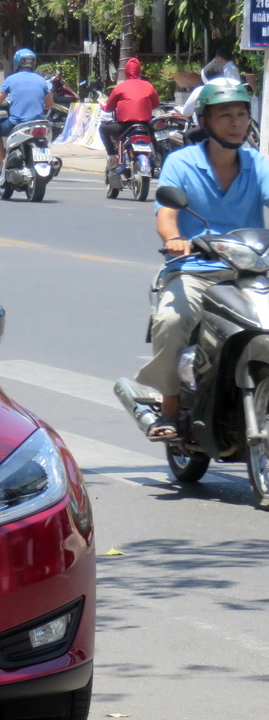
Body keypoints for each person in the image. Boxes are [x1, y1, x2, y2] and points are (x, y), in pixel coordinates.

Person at [134, 82, 269, 440]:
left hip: (250, 270)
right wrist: (174, 239)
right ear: (206, 121)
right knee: (172, 320)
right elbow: (166, 214)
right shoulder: (181, 162)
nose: (236, 123)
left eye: (241, 115)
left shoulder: (257, 163)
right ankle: (170, 407)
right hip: (196, 268)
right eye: (225, 115)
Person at [0, 48, 52, 177]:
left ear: (17, 62)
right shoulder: (41, 80)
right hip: (38, 123)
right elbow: (49, 105)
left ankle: (2, 163)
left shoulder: (11, 79)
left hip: (17, 123)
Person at [100, 57, 160, 172]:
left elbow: (109, 108)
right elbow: (156, 104)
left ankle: (112, 157)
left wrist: (105, 106)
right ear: (139, 71)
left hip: (125, 127)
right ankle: (155, 157)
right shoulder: (148, 86)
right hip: (144, 126)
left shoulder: (120, 87)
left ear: (126, 71)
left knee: (103, 128)